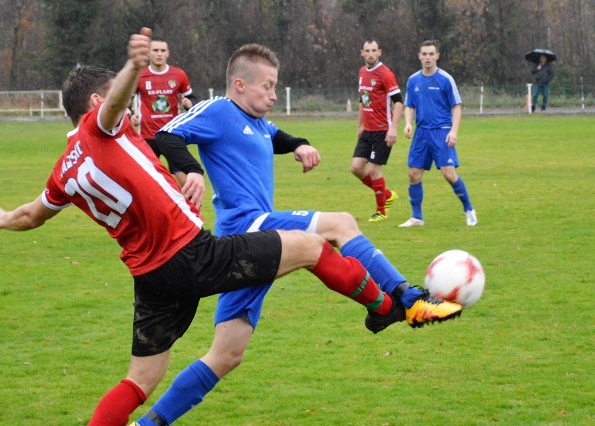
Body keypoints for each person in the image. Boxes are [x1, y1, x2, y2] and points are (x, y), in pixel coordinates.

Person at [0, 29, 409, 426]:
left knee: (138, 382)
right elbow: (114, 104)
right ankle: (384, 305)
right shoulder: (102, 129)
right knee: (312, 247)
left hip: (150, 281)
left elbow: (32, 215)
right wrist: (133, 66)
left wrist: (0, 217)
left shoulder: (63, 171)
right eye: (127, 102)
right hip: (193, 255)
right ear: (98, 105)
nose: (134, 111)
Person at [131, 43, 463, 426]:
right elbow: (167, 136)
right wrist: (190, 169)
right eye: (267, 87)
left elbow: (276, 137)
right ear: (239, 84)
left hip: (251, 241)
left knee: (226, 356)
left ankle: (148, 424)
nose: (274, 95)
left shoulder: (254, 120)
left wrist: (300, 144)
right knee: (341, 224)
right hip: (246, 226)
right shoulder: (219, 110)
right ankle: (405, 300)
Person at [400, 40, 477, 228]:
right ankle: (417, 217)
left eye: (431, 54)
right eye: (424, 54)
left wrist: (454, 131)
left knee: (449, 174)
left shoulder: (445, 79)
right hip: (422, 133)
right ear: (419, 56)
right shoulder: (413, 80)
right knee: (413, 173)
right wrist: (408, 123)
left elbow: (456, 106)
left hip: (442, 132)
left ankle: (469, 209)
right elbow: (409, 105)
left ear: (437, 56)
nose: (427, 57)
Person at [131, 38, 197, 185]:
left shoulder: (178, 75)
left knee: (186, 181)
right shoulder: (140, 76)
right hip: (147, 136)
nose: (159, 54)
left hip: (171, 134)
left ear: (168, 53)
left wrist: (189, 104)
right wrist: (131, 116)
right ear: (148, 54)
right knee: (144, 182)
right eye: (155, 50)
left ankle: (190, 207)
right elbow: (126, 100)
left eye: (162, 50)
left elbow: (191, 99)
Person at [351, 39, 403, 222]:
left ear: (379, 52)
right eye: (367, 50)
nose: (371, 53)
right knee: (356, 168)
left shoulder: (385, 74)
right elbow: (363, 100)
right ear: (362, 53)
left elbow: (399, 102)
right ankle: (387, 195)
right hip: (368, 131)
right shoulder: (362, 72)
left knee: (374, 170)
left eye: (374, 50)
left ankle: (381, 211)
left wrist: (393, 129)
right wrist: (360, 125)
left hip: (383, 130)